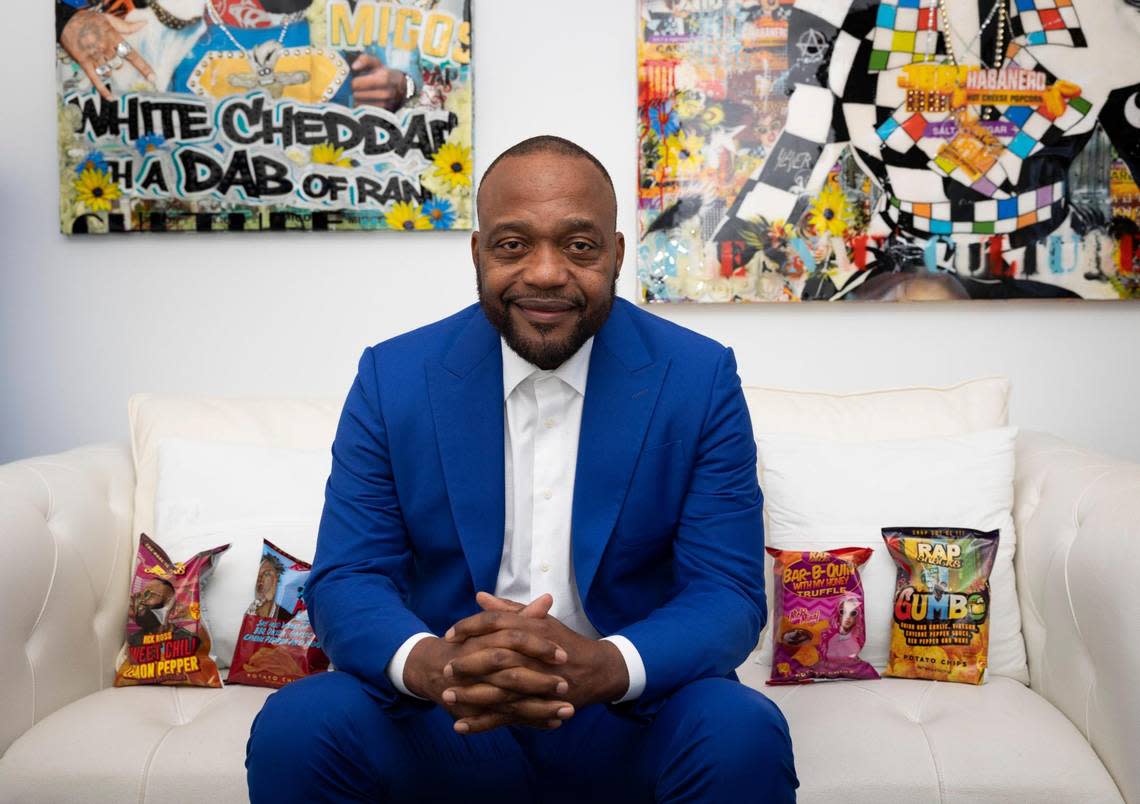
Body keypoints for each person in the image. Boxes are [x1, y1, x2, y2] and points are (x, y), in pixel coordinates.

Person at [245, 135, 798, 802]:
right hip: (443, 716)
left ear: (617, 254)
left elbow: (727, 591)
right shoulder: (394, 379)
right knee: (300, 724)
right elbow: (351, 576)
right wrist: (436, 665)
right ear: (477, 254)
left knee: (740, 728)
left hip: (627, 715)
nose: (545, 272)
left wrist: (605, 666)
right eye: (513, 245)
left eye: (579, 245)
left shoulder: (698, 379)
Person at [717, 0, 1140, 299]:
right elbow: (801, 148)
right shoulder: (839, 12)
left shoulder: (1103, 15)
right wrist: (719, 267)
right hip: (891, 273)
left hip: (1059, 267)